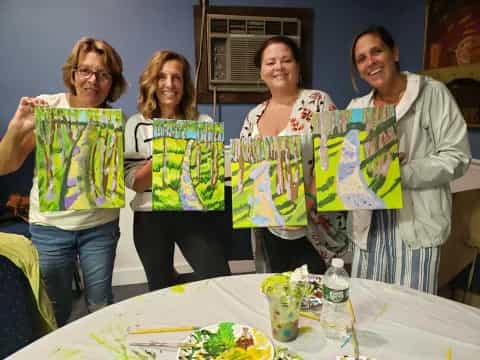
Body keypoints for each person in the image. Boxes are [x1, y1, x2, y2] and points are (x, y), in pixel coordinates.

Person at [0, 37, 127, 325]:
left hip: (100, 227)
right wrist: (16, 128)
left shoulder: (115, 120)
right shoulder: (49, 108)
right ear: (73, 73)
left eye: (103, 74)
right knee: (55, 308)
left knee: (101, 304)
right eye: (85, 71)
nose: (92, 80)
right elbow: (5, 164)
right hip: (50, 229)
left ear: (112, 82)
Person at [347, 25, 471, 293]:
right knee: (367, 305)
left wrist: (401, 173)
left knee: (413, 312)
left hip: (416, 224)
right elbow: (344, 168)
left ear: (394, 53)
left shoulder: (432, 94)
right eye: (362, 58)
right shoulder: (356, 110)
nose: (371, 62)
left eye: (376, 52)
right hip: (371, 228)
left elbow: (457, 157)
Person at [124, 50, 231, 291]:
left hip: (193, 214)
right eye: (162, 77)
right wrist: (166, 154)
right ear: (151, 82)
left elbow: (212, 178)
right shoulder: (136, 124)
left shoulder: (203, 123)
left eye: (177, 77)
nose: (169, 84)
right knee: (160, 288)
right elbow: (134, 182)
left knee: (219, 278)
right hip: (150, 216)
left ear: (185, 84)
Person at [240, 36, 337, 274]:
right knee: (281, 295)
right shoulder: (254, 115)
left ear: (297, 66)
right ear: (261, 71)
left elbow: (335, 157)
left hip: (310, 226)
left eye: (286, 60)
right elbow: (243, 166)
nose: (278, 67)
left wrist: (310, 201)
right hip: (267, 226)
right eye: (270, 62)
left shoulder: (318, 102)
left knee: (315, 297)